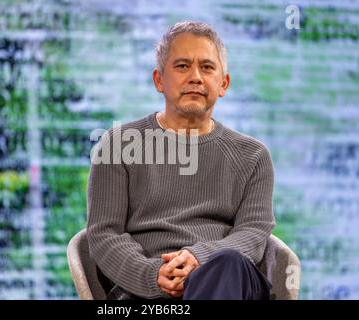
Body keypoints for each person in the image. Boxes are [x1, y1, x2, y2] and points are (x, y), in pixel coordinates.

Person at [86, 21, 275, 300]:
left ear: (223, 84)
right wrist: (155, 276)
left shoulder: (253, 155)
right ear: (159, 80)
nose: (196, 77)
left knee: (230, 264)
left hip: (230, 282)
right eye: (183, 66)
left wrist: (199, 257)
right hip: (149, 294)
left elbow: (253, 234)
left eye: (207, 67)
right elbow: (104, 236)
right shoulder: (117, 145)